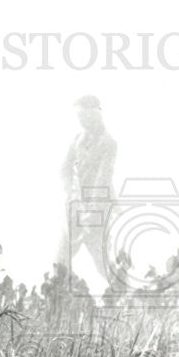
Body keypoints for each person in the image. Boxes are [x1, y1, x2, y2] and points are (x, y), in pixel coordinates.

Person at [55, 95, 118, 287]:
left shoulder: (108, 143)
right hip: (75, 209)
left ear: (95, 114)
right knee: (60, 261)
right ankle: (60, 301)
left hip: (95, 212)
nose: (80, 120)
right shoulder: (78, 139)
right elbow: (64, 170)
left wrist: (91, 211)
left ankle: (128, 298)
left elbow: (102, 180)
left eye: (83, 115)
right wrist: (71, 193)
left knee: (102, 263)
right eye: (78, 116)